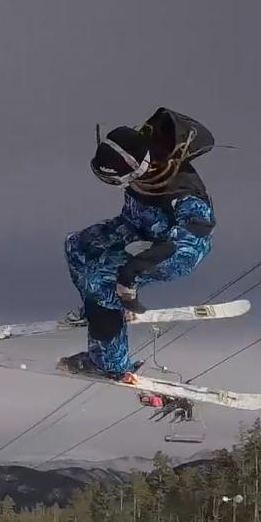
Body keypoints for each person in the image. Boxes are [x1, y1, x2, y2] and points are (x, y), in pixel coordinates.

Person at [58, 107, 216, 380]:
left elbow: (192, 237)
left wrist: (132, 271)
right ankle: (101, 310)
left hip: (175, 249)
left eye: (115, 180)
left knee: (101, 281)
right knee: (77, 245)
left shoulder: (182, 191)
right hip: (135, 227)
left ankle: (110, 364)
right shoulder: (142, 154)